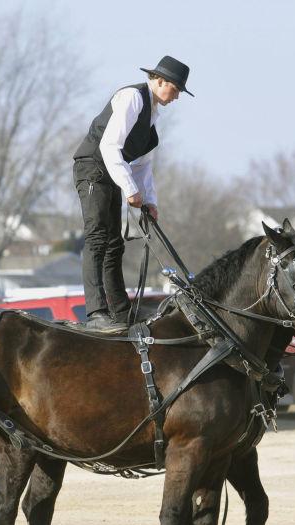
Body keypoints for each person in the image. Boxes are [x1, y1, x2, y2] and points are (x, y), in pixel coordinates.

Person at [73, 55, 194, 332]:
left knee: (115, 244)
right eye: (175, 89)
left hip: (112, 174)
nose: (176, 97)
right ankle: (96, 312)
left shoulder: (151, 115)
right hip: (93, 168)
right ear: (160, 81)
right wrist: (129, 189)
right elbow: (109, 146)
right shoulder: (133, 98)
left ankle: (120, 313)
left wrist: (149, 201)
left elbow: (141, 164)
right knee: (98, 238)